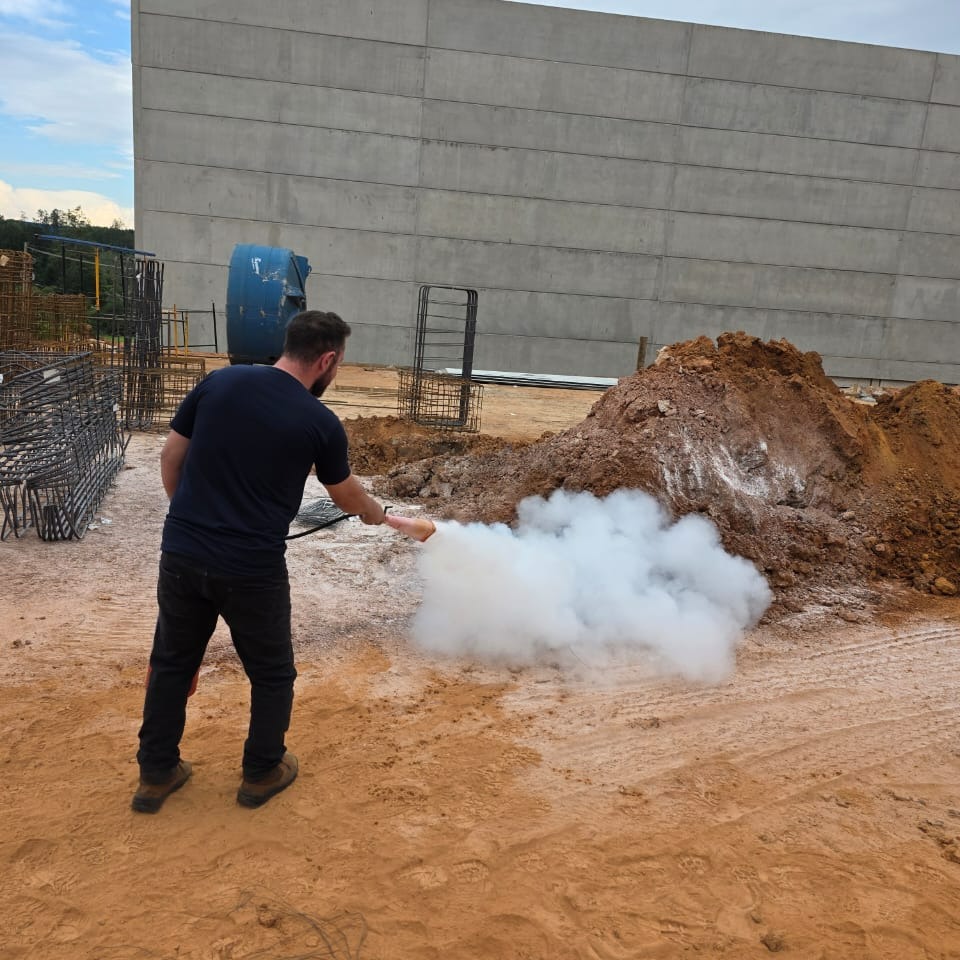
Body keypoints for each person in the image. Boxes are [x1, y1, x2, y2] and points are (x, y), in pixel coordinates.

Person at [132, 310, 386, 813]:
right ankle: (262, 770)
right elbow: (344, 495)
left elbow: (170, 457)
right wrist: (373, 512)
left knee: (172, 664)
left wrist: (192, 520)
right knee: (272, 673)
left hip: (182, 553)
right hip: (251, 569)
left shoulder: (219, 383)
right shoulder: (320, 422)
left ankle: (156, 775)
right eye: (338, 365)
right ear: (327, 360)